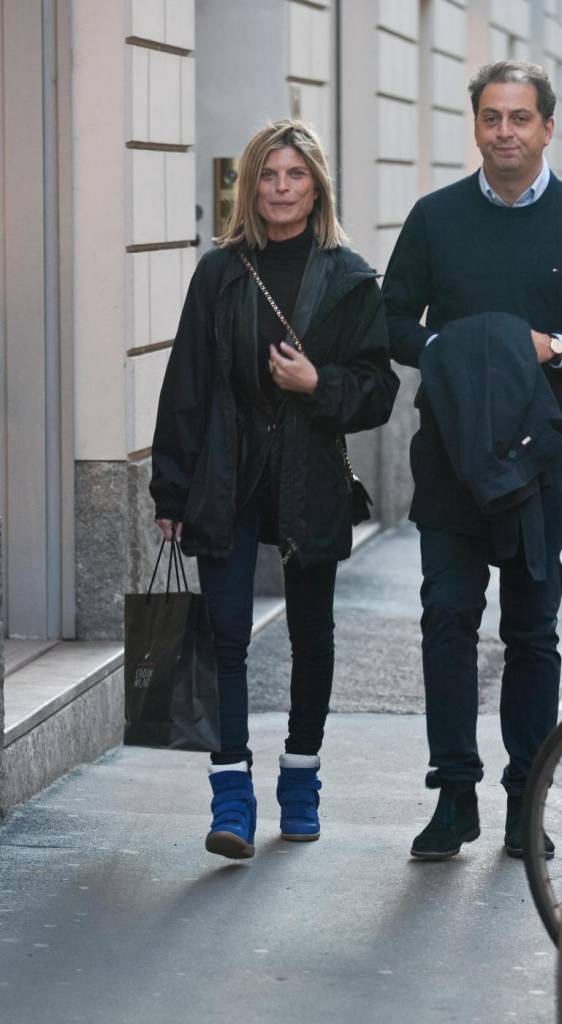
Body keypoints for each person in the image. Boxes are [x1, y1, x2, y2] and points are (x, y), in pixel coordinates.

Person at [382, 61, 562, 861]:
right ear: (476, 125)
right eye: (492, 117)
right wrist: (454, 350)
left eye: (520, 118)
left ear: (547, 127)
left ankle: (525, 803)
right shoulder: (435, 217)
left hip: (543, 462)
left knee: (531, 634)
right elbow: (391, 320)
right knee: (446, 620)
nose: (505, 132)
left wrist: (550, 347)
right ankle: (453, 797)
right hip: (451, 457)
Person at [150, 119, 398, 860]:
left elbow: (379, 390)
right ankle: (231, 794)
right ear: (249, 187)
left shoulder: (349, 277)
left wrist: (318, 383)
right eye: (268, 174)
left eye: (296, 175)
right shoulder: (220, 273)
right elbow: (187, 383)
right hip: (226, 471)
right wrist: (171, 491)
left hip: (309, 472)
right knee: (225, 635)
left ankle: (300, 779)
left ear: (316, 186)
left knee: (310, 635)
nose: (282, 189)